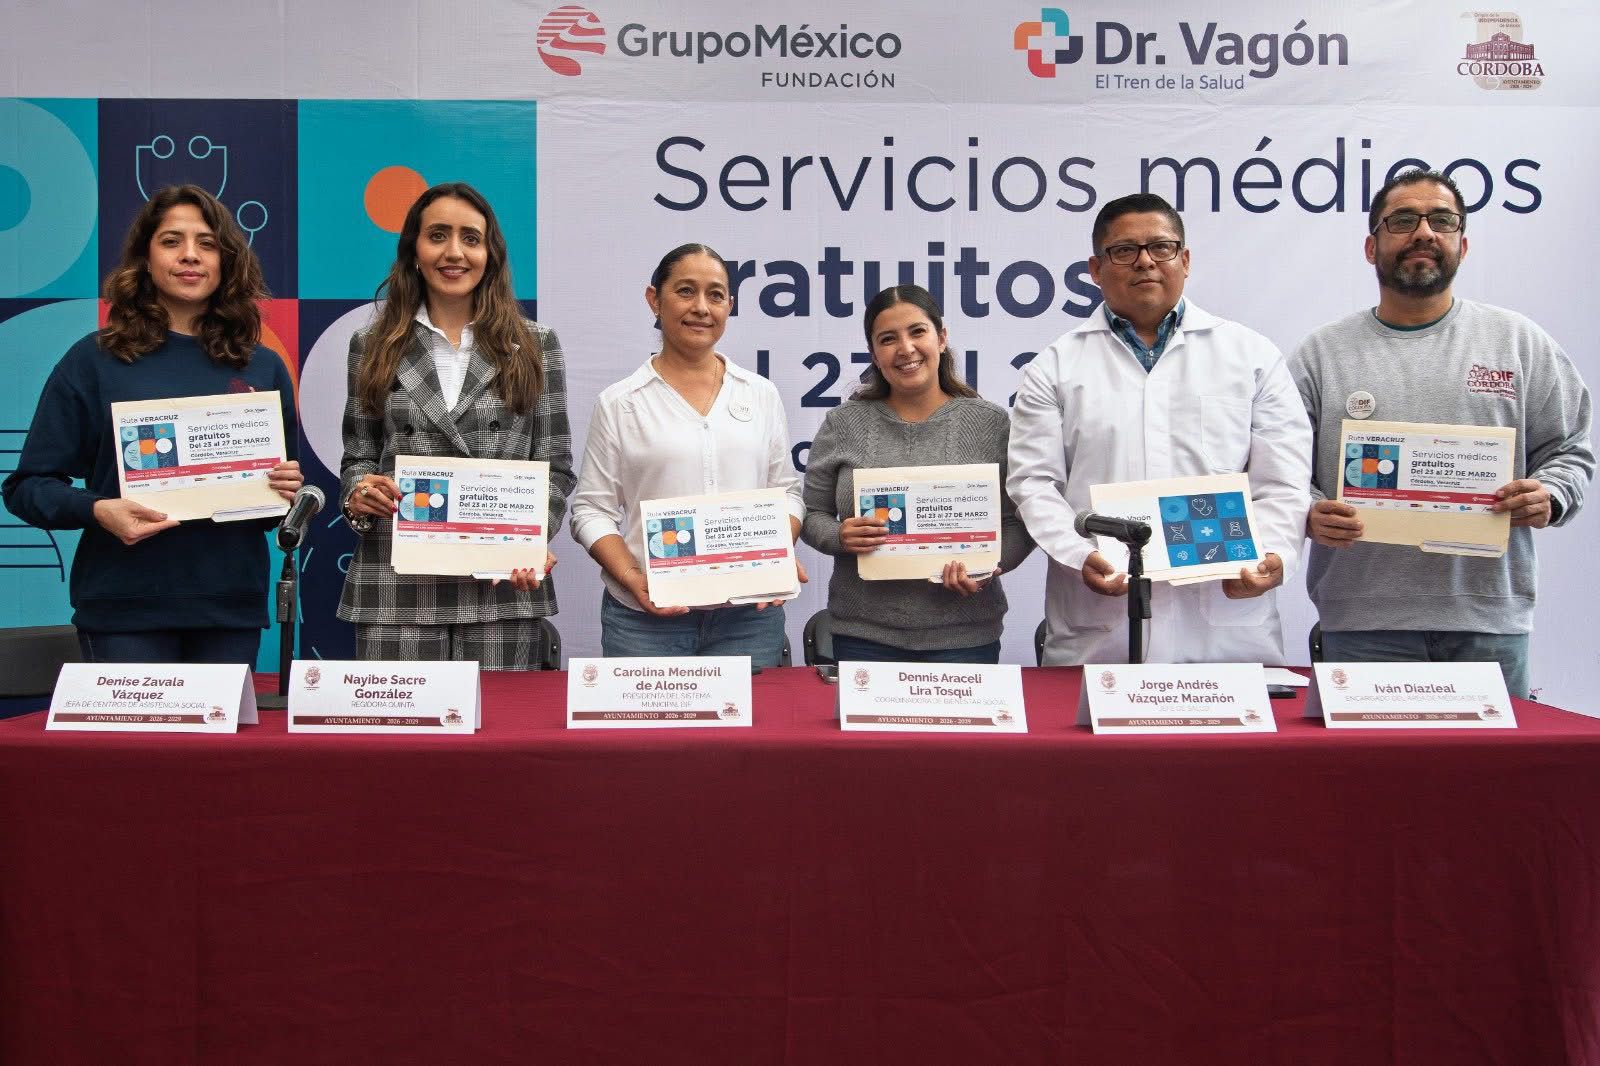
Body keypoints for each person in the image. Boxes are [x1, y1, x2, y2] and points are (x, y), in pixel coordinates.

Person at [1290, 169, 1593, 698]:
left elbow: (1570, 450)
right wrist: (1309, 510)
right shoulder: (1320, 354)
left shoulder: (1519, 343)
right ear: (1371, 246)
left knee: (1500, 759)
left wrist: (1550, 493)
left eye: (1442, 220)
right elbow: (1279, 468)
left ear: (1462, 244)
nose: (1424, 232)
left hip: (1488, 620)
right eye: (1403, 220)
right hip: (1364, 622)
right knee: (1369, 760)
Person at [2, 184, 303, 664]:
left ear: (226, 260)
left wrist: (283, 491)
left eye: (207, 243)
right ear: (145, 258)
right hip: (123, 610)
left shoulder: (261, 367)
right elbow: (27, 488)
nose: (190, 255)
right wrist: (99, 510)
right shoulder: (93, 360)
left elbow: (269, 512)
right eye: (171, 241)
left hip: (228, 610)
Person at [1008, 192, 1311, 665]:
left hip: (1224, 629)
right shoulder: (1054, 366)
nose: (1145, 261)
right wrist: (1079, 554)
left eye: (1161, 247)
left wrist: (1270, 553)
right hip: (1101, 629)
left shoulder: (1251, 356)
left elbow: (1283, 482)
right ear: (1095, 269)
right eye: (1124, 251)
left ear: (1184, 260)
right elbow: (1034, 483)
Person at [338, 182, 574, 669]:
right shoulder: (371, 344)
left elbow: (555, 466)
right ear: (414, 250)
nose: (454, 252)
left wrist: (531, 538)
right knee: (399, 721)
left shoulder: (535, 344)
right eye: (438, 235)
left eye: (471, 238)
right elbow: (359, 456)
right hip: (396, 587)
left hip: (500, 586)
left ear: (490, 254)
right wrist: (359, 493)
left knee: (499, 722)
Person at [570, 242, 804, 667]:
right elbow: (591, 510)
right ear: (654, 299)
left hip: (747, 620)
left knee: (752, 716)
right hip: (644, 621)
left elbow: (786, 492)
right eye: (685, 291)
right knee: (646, 717)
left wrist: (774, 553)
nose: (701, 307)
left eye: (715, 295)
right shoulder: (620, 402)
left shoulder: (761, 394)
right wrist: (631, 577)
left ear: (730, 306)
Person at [801, 285, 1032, 663]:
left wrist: (988, 566)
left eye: (917, 332)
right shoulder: (843, 423)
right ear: (874, 354)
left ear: (941, 338)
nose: (905, 348)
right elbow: (812, 514)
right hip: (863, 634)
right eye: (888, 339)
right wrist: (840, 535)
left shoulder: (990, 424)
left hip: (964, 636)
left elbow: (1021, 521)